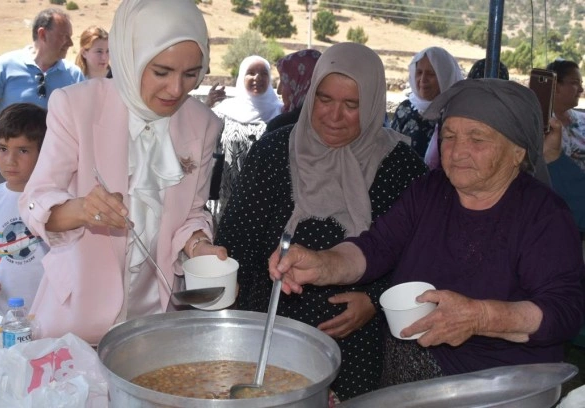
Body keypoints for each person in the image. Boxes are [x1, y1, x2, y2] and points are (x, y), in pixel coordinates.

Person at [270, 79, 585, 387]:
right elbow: (375, 247)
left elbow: (564, 310)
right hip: (410, 372)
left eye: (477, 140)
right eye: (449, 136)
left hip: (498, 385)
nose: (458, 151)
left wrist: (482, 317)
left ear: (518, 152)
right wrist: (322, 264)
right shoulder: (430, 191)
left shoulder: (542, 215)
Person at [216, 43, 428, 400]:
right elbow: (236, 241)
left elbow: (419, 256)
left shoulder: (401, 168)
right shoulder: (273, 152)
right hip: (268, 337)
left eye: (352, 105)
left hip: (357, 345)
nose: (333, 115)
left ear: (374, 102)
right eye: (325, 99)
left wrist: (374, 300)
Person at [18, 0, 226, 345]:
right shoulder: (76, 106)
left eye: (191, 74)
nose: (177, 90)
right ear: (131, 56)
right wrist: (82, 209)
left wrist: (200, 246)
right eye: (161, 71)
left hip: (156, 318)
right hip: (76, 316)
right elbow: (34, 201)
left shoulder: (202, 124)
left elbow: (191, 213)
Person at [0, 8, 84, 191]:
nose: (71, 43)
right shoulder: (5, 67)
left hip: (56, 173)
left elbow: (82, 126)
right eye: (64, 36)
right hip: (10, 172)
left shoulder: (74, 76)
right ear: (42, 33)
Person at [0, 103, 49, 318]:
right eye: (3, 149)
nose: (10, 160)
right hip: (0, 317)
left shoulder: (57, 200)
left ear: (44, 152)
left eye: (23, 150)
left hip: (48, 317)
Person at [208, 55, 283, 225]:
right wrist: (207, 106)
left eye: (263, 73)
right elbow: (199, 140)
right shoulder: (224, 112)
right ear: (242, 77)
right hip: (226, 199)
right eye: (251, 73)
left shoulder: (280, 113)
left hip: (265, 201)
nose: (257, 78)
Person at [391, 46, 463, 158]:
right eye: (419, 72)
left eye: (431, 74)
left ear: (444, 77)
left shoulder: (457, 112)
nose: (423, 79)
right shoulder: (405, 109)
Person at [265, 48, 321, 133]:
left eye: (284, 81)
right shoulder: (332, 121)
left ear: (301, 84)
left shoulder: (281, 126)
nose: (279, 91)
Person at [547, 59, 585, 172]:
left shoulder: (582, 119)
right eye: (575, 83)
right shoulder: (540, 124)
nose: (581, 89)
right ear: (555, 85)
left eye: (581, 83)